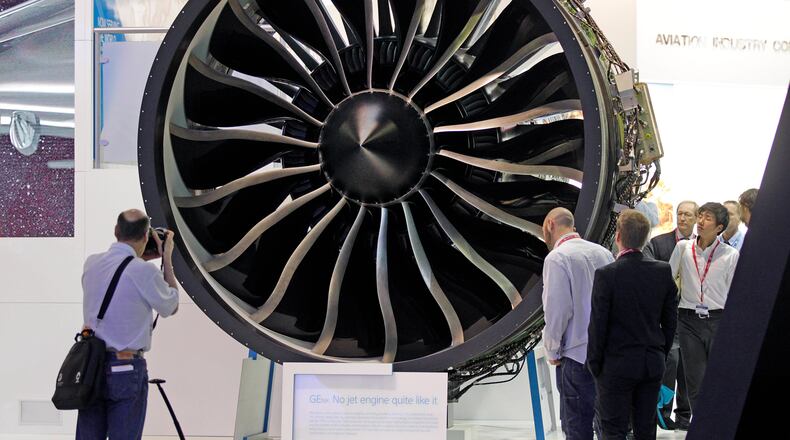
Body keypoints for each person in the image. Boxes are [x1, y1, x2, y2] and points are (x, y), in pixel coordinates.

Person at [77, 209, 180, 440]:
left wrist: (137, 257)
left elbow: (118, 275)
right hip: (125, 370)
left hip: (91, 366)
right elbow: (171, 305)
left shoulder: (91, 264)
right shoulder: (144, 272)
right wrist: (166, 259)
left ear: (116, 231)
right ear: (146, 237)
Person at [587, 209, 678, 440]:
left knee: (614, 429)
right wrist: (660, 352)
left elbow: (598, 324)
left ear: (618, 237)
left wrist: (595, 365)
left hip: (617, 365)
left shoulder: (606, 275)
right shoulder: (662, 271)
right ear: (646, 238)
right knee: (646, 429)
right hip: (651, 362)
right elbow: (670, 321)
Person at [542, 207, 614, 440]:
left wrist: (551, 349)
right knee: (607, 424)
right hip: (607, 355)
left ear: (550, 225)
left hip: (575, 357)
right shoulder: (604, 253)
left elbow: (558, 310)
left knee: (577, 428)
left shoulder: (557, 258)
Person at [669, 202, 739, 413]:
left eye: (707, 218)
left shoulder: (730, 255)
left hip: (719, 319)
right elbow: (668, 279)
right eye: (700, 216)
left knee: (719, 377)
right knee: (694, 379)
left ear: (719, 227)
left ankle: (720, 422)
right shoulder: (683, 248)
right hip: (688, 319)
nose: (700, 221)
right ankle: (701, 426)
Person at [643, 201, 697, 430]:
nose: (682, 218)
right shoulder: (659, 243)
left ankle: (685, 415)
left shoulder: (700, 245)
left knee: (689, 365)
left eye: (687, 214)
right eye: (680, 213)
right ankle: (663, 413)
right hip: (667, 313)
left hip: (693, 313)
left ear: (696, 218)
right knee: (670, 361)